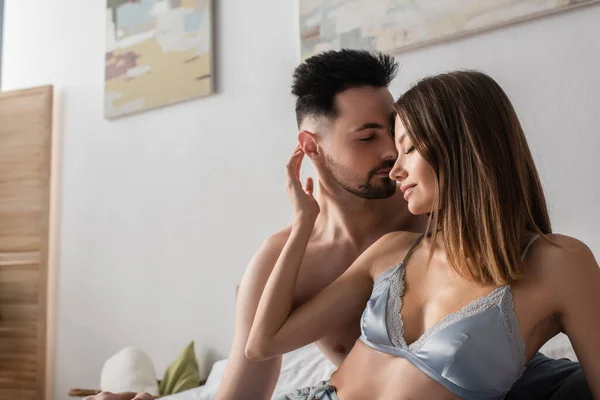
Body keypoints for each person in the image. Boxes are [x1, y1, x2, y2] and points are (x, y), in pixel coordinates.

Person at [87, 52, 592, 400]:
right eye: (369, 137)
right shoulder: (313, 257)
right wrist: (302, 226)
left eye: (401, 137)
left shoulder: (440, 217)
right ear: (312, 148)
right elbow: (249, 374)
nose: (392, 155)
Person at [244, 70, 600, 399]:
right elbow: (263, 343)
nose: (395, 169)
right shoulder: (393, 251)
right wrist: (304, 223)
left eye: (409, 149)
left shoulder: (559, 264)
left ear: (463, 146)